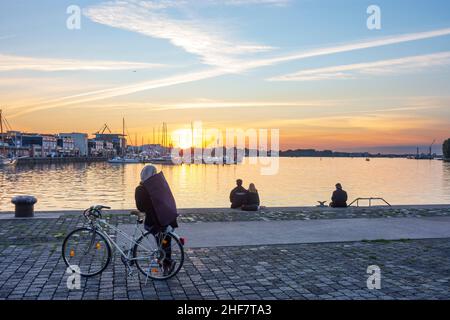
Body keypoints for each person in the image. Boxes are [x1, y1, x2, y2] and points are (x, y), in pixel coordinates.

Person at [135, 165, 178, 274]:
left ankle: (166, 264)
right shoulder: (161, 185)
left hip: (155, 222)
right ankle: (166, 264)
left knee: (162, 243)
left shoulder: (140, 189)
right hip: (166, 219)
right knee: (165, 242)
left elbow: (140, 208)